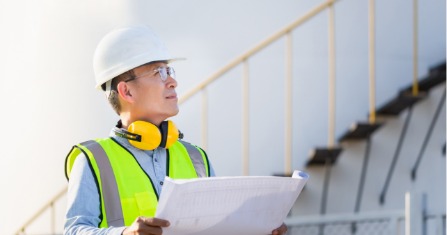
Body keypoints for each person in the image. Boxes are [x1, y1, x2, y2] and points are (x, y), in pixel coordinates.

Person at [64, 25, 288, 235]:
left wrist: (255, 230)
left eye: (169, 71)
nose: (172, 82)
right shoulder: (93, 160)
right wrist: (125, 233)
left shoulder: (196, 158)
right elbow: (74, 230)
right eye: (158, 72)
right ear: (126, 92)